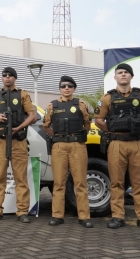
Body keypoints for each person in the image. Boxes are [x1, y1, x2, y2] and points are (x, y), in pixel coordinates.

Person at [94, 63, 140, 231]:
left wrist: (139, 127)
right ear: (115, 77)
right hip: (116, 144)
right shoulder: (107, 98)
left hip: (137, 144)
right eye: (120, 73)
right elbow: (99, 120)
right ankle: (117, 216)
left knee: (138, 183)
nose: (123, 75)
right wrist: (115, 130)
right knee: (116, 182)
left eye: (126, 73)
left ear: (131, 76)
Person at [0, 67, 37, 223]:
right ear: (2, 78)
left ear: (15, 78)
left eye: (10, 75)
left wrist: (19, 128)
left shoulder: (22, 94)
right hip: (0, 141)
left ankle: (22, 211)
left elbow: (32, 116)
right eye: (4, 75)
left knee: (21, 178)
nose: (7, 78)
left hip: (18, 140)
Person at [42, 76, 93, 228]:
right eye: (63, 86)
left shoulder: (81, 104)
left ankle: (84, 217)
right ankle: (57, 215)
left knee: (81, 183)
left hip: (77, 145)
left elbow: (87, 124)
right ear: (59, 89)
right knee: (59, 183)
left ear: (74, 88)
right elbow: (46, 125)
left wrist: (77, 137)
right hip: (59, 147)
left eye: (70, 85)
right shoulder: (53, 106)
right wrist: (57, 136)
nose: (66, 88)